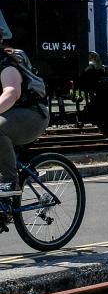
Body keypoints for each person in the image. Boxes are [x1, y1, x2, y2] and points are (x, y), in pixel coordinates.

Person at [0, 39, 49, 204]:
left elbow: (12, 92)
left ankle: (10, 182)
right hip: (10, 116)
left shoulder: (6, 62)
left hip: (33, 115)